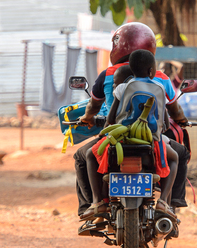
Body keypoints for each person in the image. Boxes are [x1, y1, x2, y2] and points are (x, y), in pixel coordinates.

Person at [73, 22, 190, 220]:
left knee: (83, 156)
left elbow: (96, 109)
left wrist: (88, 119)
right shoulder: (160, 80)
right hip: (151, 137)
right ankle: (169, 202)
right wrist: (181, 120)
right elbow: (172, 114)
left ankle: (94, 204)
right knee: (179, 154)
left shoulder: (109, 75)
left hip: (118, 136)